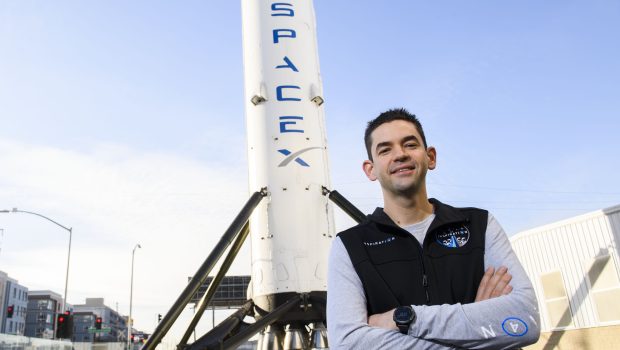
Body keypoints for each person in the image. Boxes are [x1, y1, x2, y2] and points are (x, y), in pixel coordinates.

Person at [326, 108, 540, 349]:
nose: (400, 155)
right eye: (385, 149)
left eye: (410, 144)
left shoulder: (479, 225)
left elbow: (524, 319)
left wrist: (405, 318)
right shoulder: (350, 246)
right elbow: (348, 343)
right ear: (370, 169)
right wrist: (480, 328)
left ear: (431, 157)